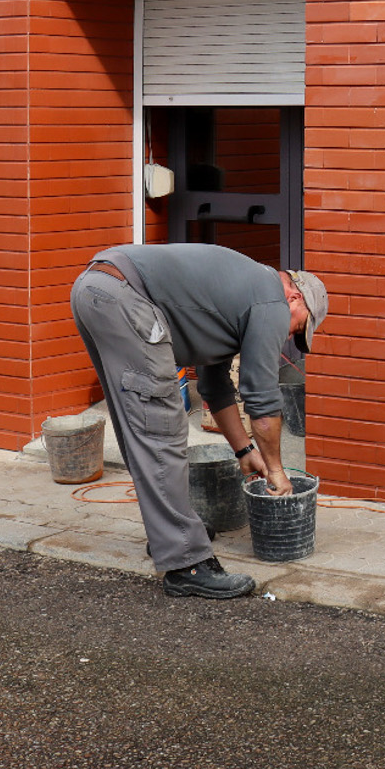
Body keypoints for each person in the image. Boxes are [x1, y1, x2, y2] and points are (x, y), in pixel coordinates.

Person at [70, 243, 328, 600]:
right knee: (160, 426)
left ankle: (171, 534)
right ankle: (186, 564)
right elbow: (262, 398)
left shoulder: (239, 294)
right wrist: (276, 471)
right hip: (125, 295)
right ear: (295, 298)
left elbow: (215, 387)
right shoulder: (271, 302)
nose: (288, 338)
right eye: (297, 328)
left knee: (141, 423)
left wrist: (244, 451)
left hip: (97, 288)